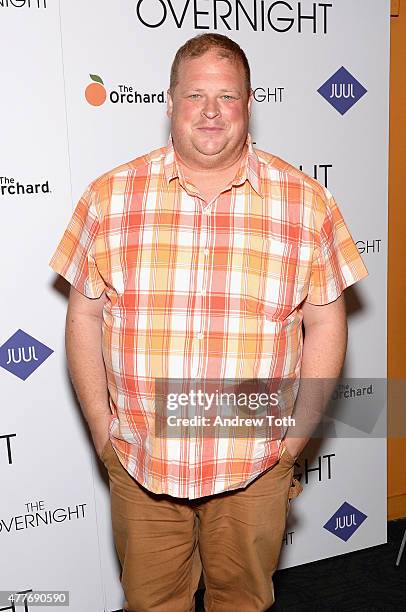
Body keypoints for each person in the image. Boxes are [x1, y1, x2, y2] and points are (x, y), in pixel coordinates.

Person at [50, 33, 368, 612]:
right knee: (151, 605)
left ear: (249, 103)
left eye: (229, 96)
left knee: (245, 602)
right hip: (144, 461)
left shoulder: (306, 203)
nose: (213, 111)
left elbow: (325, 322)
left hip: (254, 463)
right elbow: (84, 314)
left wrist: (293, 441)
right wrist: (103, 430)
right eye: (197, 95)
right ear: (170, 103)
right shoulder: (108, 198)